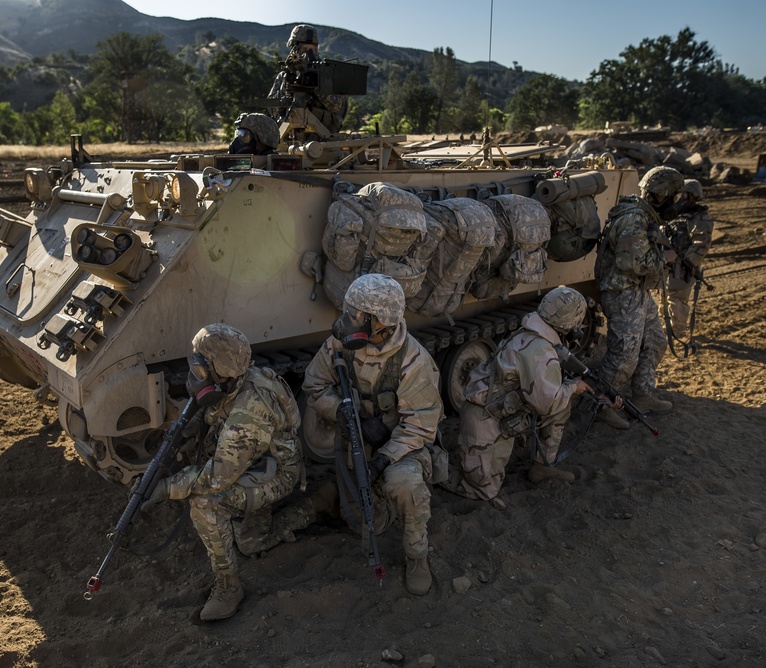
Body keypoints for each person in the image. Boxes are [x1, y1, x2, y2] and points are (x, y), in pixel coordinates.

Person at [263, 274, 443, 595]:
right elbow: (314, 385)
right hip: (357, 441)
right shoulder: (340, 343)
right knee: (358, 519)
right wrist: (340, 410)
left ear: (381, 325)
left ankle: (416, 555)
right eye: (350, 311)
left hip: (400, 446)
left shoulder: (414, 363)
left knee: (405, 485)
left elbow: (421, 426)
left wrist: (384, 459)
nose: (348, 320)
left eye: (358, 315)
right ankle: (333, 501)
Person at [139, 324, 302, 621]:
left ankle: (229, 586)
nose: (194, 376)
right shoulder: (232, 384)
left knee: (206, 503)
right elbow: (211, 414)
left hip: (275, 474)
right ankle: (305, 508)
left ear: (221, 371)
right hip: (251, 464)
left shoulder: (249, 411)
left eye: (201, 370)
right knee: (252, 541)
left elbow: (217, 478)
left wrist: (166, 488)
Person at [442, 287, 609, 507]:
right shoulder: (540, 350)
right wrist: (573, 387)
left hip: (503, 409)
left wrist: (575, 388)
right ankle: (432, 466)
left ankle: (543, 465)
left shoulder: (534, 330)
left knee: (563, 405)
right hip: (486, 416)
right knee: (484, 490)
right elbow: (548, 404)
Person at [592, 165, 682, 429]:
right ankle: (600, 403)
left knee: (654, 341)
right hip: (622, 293)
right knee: (623, 358)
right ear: (661, 193)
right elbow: (630, 262)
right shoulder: (634, 218)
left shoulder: (644, 216)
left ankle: (642, 395)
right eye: (672, 196)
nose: (674, 202)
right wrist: (665, 258)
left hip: (636, 290)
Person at [267, 24, 349, 139]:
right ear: (294, 49)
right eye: (303, 49)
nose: (307, 54)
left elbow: (337, 106)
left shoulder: (326, 74)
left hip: (322, 139)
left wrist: (317, 85)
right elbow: (272, 109)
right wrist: (288, 91)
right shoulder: (284, 76)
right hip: (287, 138)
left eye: (312, 49)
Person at [659, 179, 714, 341]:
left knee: (677, 298)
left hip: (683, 267)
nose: (679, 198)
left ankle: (677, 329)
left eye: (683, 195)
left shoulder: (700, 219)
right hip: (668, 263)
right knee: (664, 296)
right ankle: (665, 325)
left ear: (692, 197)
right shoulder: (676, 216)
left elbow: (701, 246)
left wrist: (685, 264)